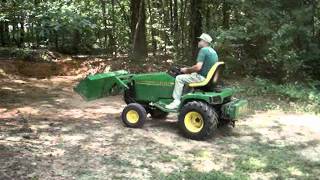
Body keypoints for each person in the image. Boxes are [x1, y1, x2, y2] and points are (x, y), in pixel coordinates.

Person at [165, 33, 219, 109]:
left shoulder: (203, 50)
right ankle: (185, 97)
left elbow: (198, 67)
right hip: (208, 77)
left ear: (205, 42)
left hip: (202, 77)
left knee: (179, 78)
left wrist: (186, 70)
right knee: (190, 75)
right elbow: (203, 66)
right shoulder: (213, 51)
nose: (198, 42)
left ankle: (176, 101)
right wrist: (190, 70)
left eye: (200, 40)